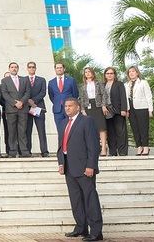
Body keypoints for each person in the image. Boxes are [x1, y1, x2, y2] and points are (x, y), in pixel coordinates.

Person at [58, 98, 103, 241]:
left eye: (70, 106)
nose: (67, 108)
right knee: (76, 200)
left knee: (90, 199)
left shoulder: (86, 121)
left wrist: (91, 165)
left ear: (77, 107)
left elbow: (93, 145)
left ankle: (96, 232)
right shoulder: (64, 123)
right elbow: (61, 146)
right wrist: (60, 163)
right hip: (69, 168)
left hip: (84, 168)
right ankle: (81, 228)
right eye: (65, 106)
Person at [1, 62, 32, 158]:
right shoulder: (4, 80)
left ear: (18, 69)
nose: (14, 69)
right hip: (11, 109)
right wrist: (15, 103)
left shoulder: (24, 79)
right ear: (9, 69)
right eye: (12, 67)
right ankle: (13, 151)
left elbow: (28, 92)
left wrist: (21, 102)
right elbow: (5, 94)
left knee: (22, 130)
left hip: (23, 109)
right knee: (12, 131)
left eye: (15, 67)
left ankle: (24, 150)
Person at [78, 67, 109, 156]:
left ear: (92, 73)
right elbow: (82, 98)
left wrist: (103, 106)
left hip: (98, 106)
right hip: (88, 107)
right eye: (86, 72)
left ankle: (103, 148)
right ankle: (94, 149)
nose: (87, 73)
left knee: (101, 127)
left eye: (89, 72)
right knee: (91, 129)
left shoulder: (99, 83)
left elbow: (104, 95)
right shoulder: (82, 85)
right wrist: (83, 109)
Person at [125, 65, 154, 156]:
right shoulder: (126, 84)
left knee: (143, 128)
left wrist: (150, 110)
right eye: (130, 72)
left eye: (133, 71)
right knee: (135, 128)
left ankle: (145, 147)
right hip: (131, 108)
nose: (131, 73)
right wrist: (126, 109)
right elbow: (125, 98)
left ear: (137, 73)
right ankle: (139, 147)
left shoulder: (143, 82)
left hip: (142, 108)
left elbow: (149, 96)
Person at [25, 61, 49, 157]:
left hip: (38, 107)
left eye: (33, 67)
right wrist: (29, 101)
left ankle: (44, 151)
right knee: (27, 131)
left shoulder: (42, 80)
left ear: (35, 68)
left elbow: (43, 92)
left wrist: (33, 101)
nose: (31, 69)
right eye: (30, 67)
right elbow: (22, 92)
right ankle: (27, 151)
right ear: (27, 68)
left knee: (41, 130)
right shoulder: (24, 79)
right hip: (27, 108)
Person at [103, 67, 128, 156]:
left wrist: (123, 109)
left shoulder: (119, 84)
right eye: (107, 73)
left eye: (111, 73)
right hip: (107, 112)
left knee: (120, 131)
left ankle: (122, 152)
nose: (109, 75)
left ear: (114, 75)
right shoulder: (103, 85)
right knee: (110, 132)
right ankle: (113, 152)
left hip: (118, 110)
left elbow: (123, 97)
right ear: (105, 75)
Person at [49, 62, 79, 131]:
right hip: (58, 110)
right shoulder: (51, 82)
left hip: (70, 109)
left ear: (64, 69)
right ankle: (61, 142)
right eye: (57, 68)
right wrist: (58, 103)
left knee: (72, 129)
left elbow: (75, 94)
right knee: (60, 130)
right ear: (55, 69)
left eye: (60, 68)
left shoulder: (71, 80)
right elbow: (51, 96)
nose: (59, 69)